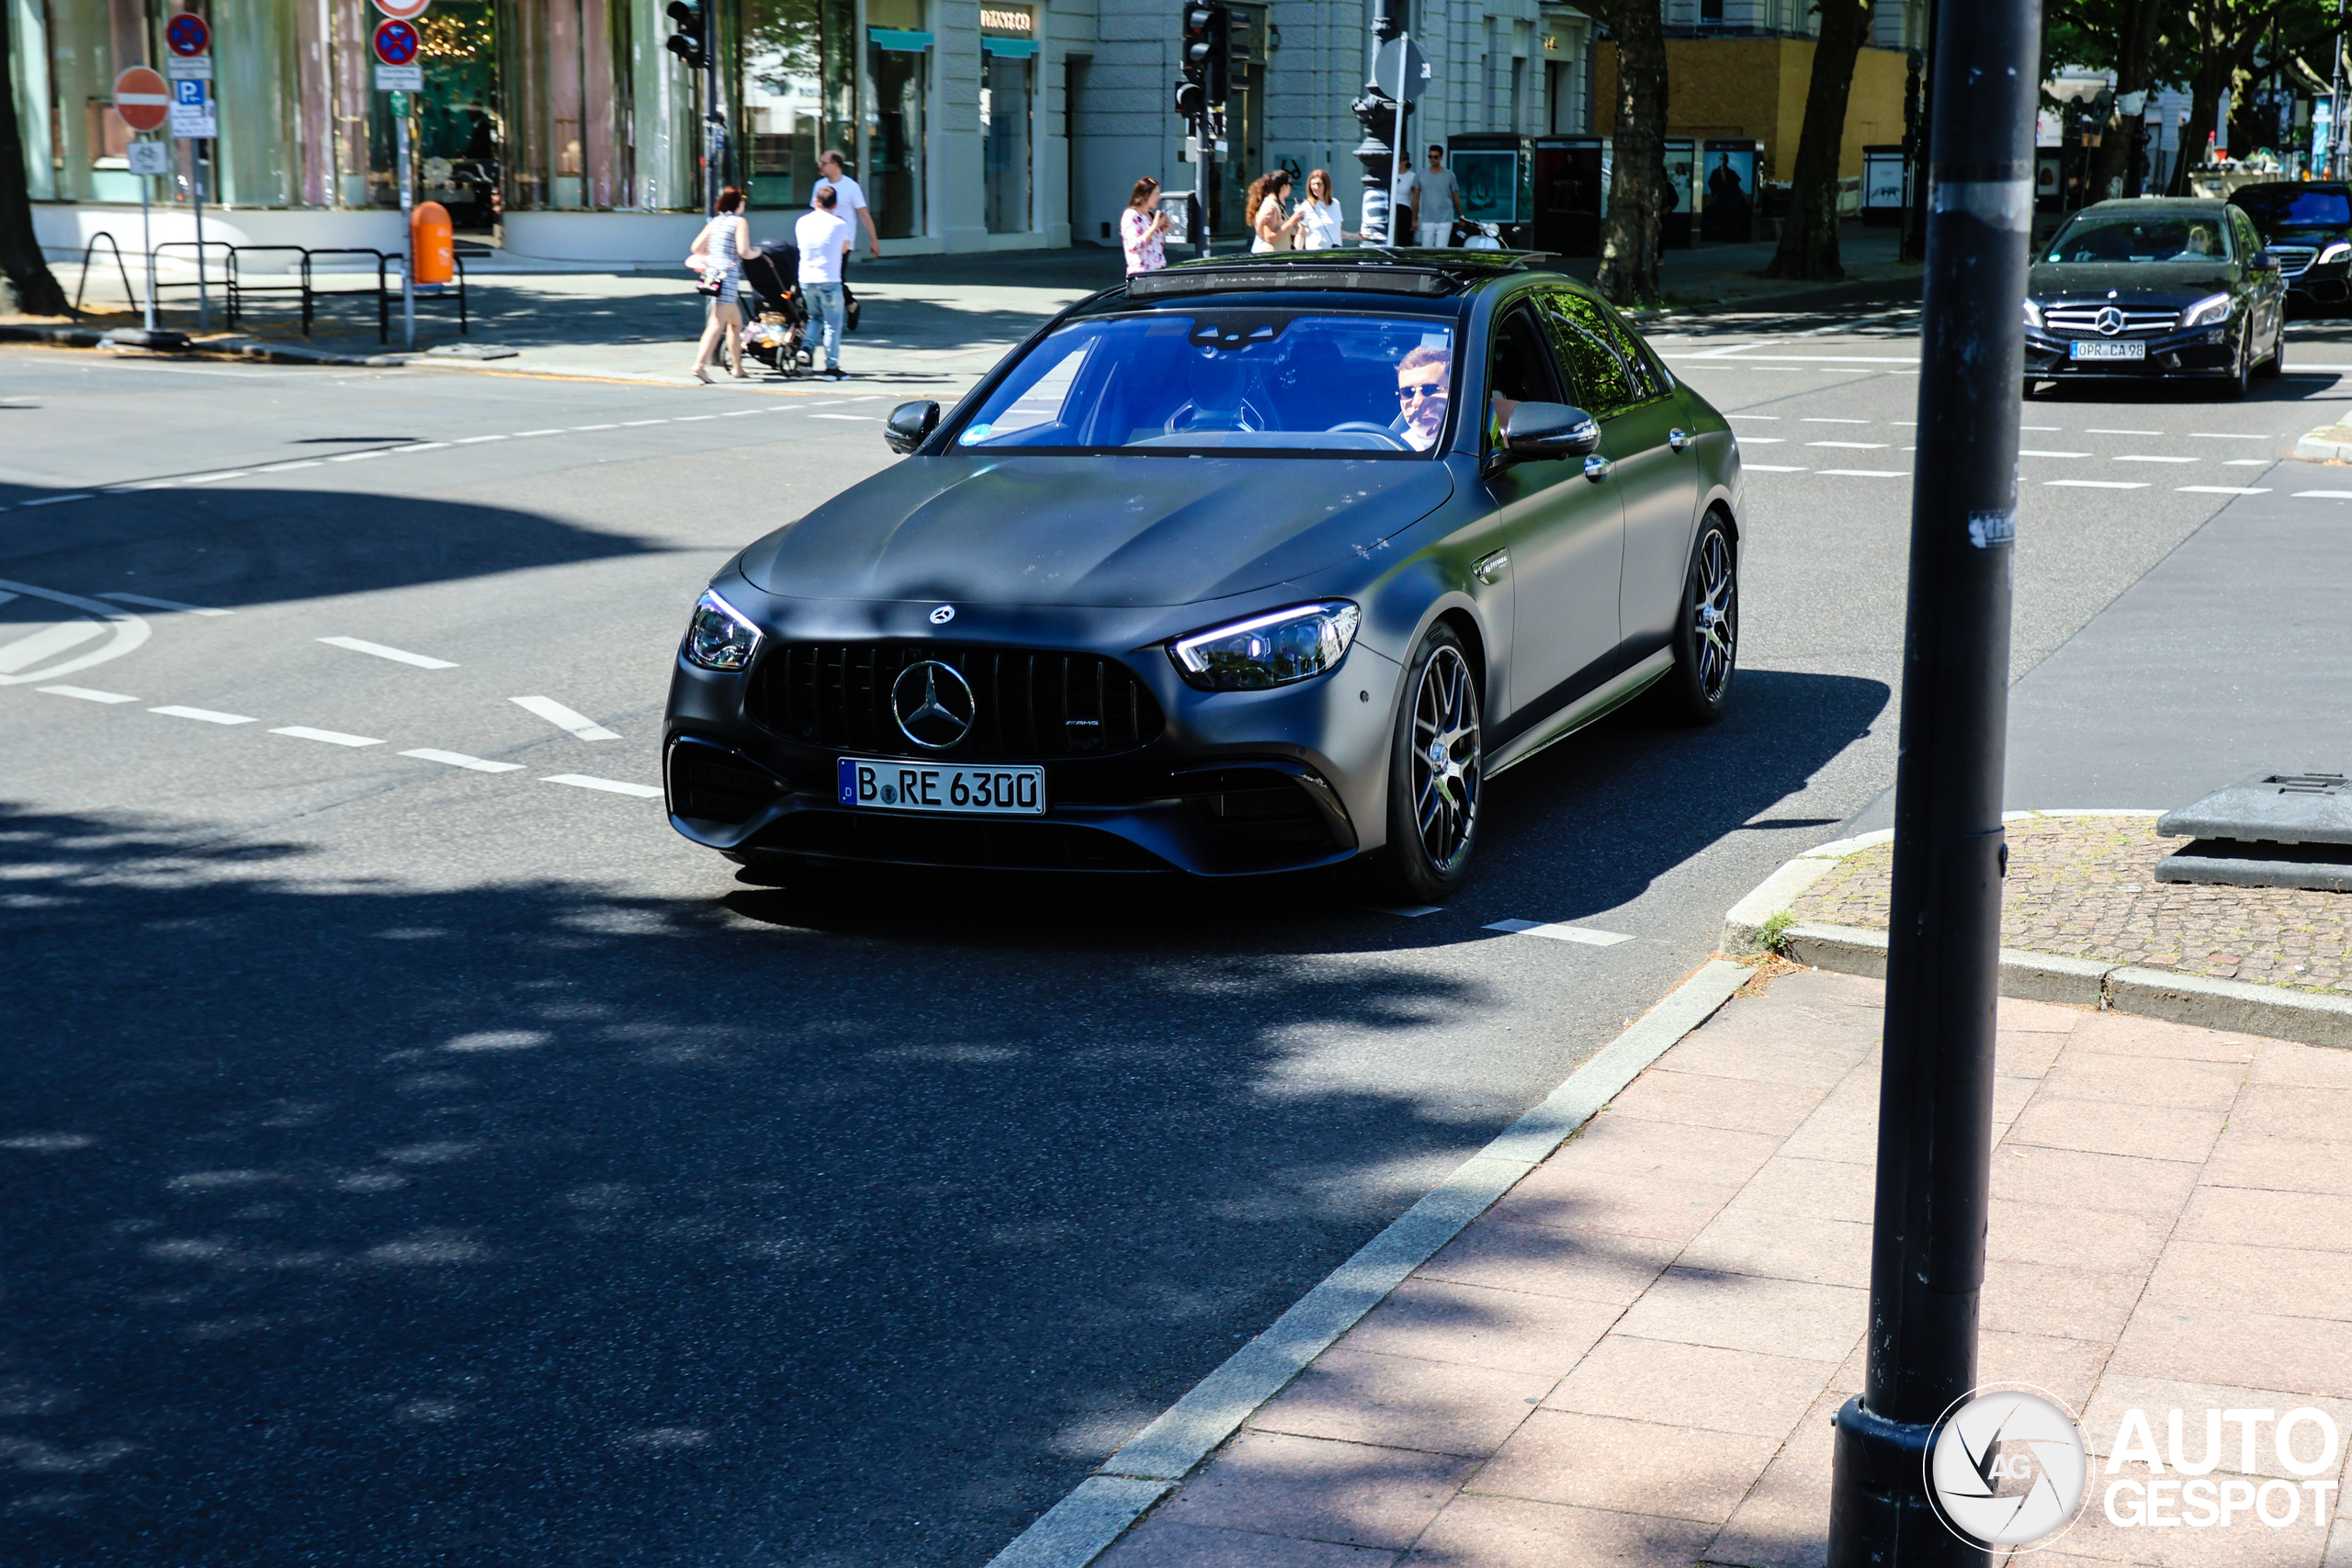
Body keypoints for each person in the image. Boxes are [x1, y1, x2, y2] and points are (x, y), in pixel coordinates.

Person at [687, 185, 752, 384]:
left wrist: (713, 256)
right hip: (728, 278)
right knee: (716, 324)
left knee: (736, 323)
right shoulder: (739, 222)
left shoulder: (715, 222)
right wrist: (757, 253)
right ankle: (699, 365)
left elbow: (696, 247)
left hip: (712, 277)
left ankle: (737, 367)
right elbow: (744, 251)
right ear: (738, 203)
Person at [796, 185, 856, 379]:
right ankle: (831, 367)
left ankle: (806, 348)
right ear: (835, 204)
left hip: (806, 279)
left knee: (814, 318)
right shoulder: (839, 224)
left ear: (816, 201)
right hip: (829, 280)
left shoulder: (802, 222)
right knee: (832, 324)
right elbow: (844, 248)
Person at [812, 150, 883, 262]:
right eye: (820, 163)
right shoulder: (819, 185)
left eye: (824, 163)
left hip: (843, 242)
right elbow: (815, 212)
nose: (820, 166)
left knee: (838, 275)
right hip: (823, 239)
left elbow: (864, 214)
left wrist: (874, 240)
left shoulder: (851, 186)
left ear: (835, 164)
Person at [1393, 344, 1450, 451]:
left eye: (1429, 390)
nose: (1416, 402)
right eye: (1407, 392)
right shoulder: (1386, 448)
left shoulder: (1481, 440)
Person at [1122, 176, 1172, 274]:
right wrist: (1155, 227)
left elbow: (1151, 246)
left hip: (1158, 273)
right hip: (1142, 276)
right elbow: (1135, 246)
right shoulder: (1131, 215)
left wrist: (1161, 232)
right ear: (1145, 195)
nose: (1159, 198)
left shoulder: (1149, 216)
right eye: (1156, 194)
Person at [1249, 170, 1306, 254]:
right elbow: (1269, 237)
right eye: (1290, 184)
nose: (1291, 188)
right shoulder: (1271, 207)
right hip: (1272, 258)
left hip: (1280, 256)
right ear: (1283, 186)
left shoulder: (1278, 204)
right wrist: (1292, 221)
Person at [1414, 146, 1460, 248]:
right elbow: (1415, 197)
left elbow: (1455, 196)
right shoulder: (1420, 174)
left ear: (1441, 158)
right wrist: (1414, 219)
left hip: (1445, 218)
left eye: (1435, 157)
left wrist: (1461, 216)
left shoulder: (1449, 175)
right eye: (1430, 156)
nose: (1432, 159)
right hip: (1427, 218)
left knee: (1441, 250)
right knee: (1426, 250)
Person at [1296, 168, 1352, 250]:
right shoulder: (1307, 206)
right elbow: (1301, 233)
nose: (1316, 187)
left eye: (1319, 184)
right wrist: (1295, 257)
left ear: (1326, 185)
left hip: (1335, 255)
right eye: (1313, 184)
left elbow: (1335, 231)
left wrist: (1354, 236)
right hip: (1316, 255)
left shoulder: (1335, 204)